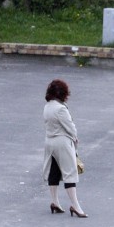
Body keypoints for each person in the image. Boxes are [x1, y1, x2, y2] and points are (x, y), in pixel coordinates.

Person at [42, 78, 87, 218]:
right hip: (62, 142)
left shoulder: (47, 106)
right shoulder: (61, 109)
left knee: (54, 172)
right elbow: (70, 127)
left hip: (49, 141)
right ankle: (75, 206)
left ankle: (55, 202)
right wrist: (75, 138)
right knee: (70, 174)